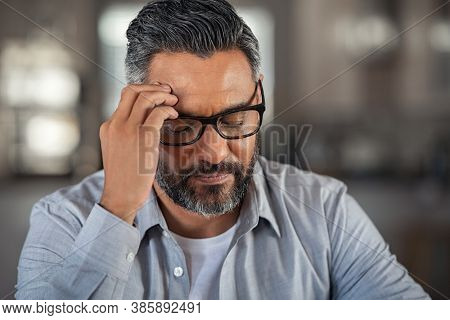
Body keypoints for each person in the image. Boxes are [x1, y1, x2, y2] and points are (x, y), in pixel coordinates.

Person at [15, 0, 429, 299]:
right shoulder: (65, 220)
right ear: (134, 117)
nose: (214, 151)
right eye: (181, 125)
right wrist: (117, 209)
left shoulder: (325, 211)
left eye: (234, 119)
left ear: (259, 94)